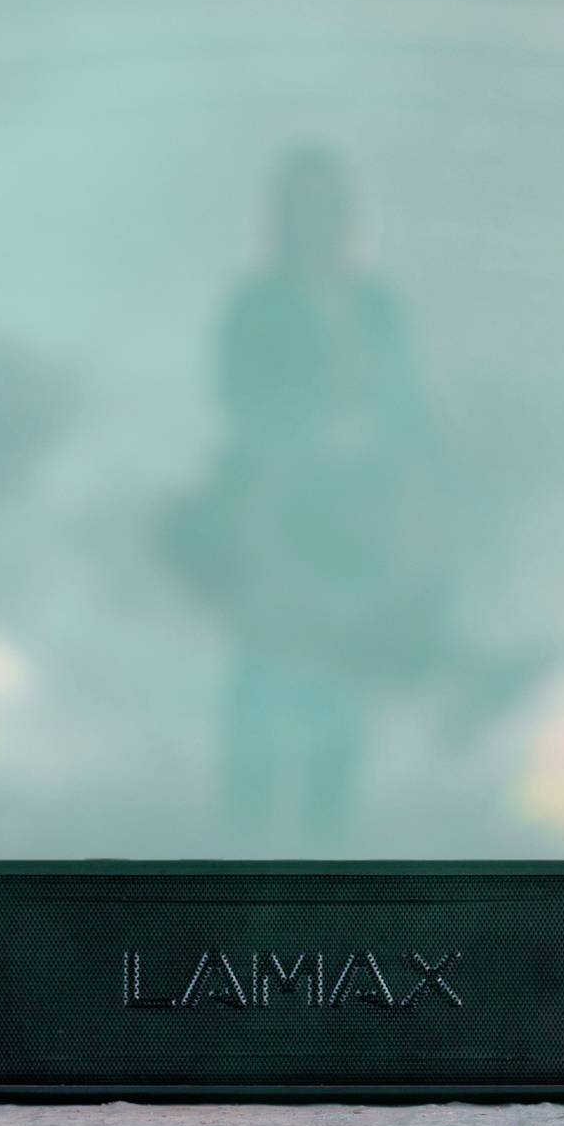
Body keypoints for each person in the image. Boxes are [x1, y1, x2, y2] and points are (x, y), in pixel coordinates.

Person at [169, 146, 445, 838]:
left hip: (355, 528)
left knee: (341, 693)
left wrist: (406, 509)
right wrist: (303, 437)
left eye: (329, 207)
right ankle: (245, 858)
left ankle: (326, 863)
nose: (318, 222)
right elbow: (238, 400)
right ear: (284, 219)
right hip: (273, 519)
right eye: (305, 208)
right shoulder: (256, 306)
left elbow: (409, 415)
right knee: (263, 683)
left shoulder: (376, 309)